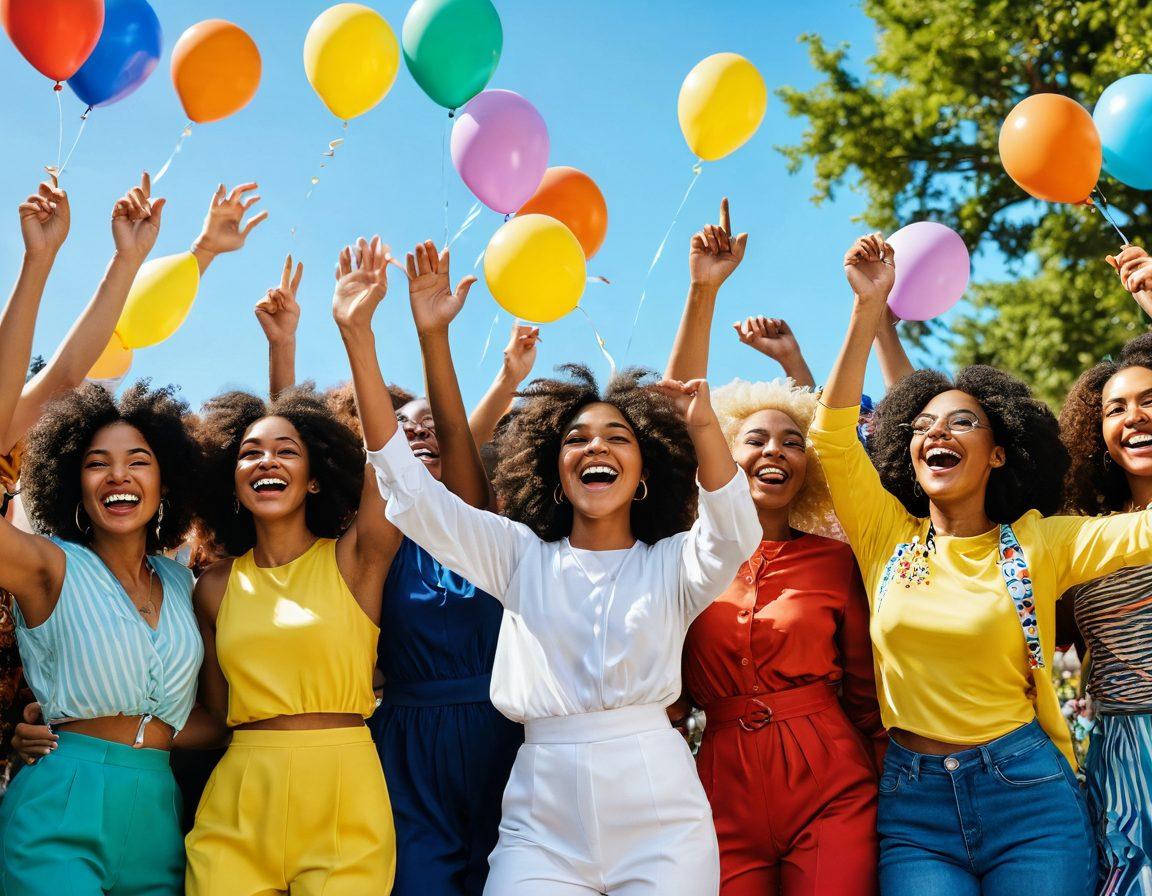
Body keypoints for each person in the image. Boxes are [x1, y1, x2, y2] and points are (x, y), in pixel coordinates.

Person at [335, 233, 759, 895]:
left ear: (643, 473)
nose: (597, 447)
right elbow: (409, 492)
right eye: (578, 439)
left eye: (617, 437)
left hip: (659, 812)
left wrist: (704, 428)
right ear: (554, 474)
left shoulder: (673, 564)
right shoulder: (517, 556)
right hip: (540, 818)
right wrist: (359, 336)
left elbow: (734, 531)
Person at [809, 232, 1152, 895]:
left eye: (962, 423)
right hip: (915, 811)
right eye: (924, 426)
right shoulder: (885, 534)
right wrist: (867, 307)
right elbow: (831, 434)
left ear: (999, 453)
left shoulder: (1042, 541)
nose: (937, 432)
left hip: (1030, 799)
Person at [254, 239, 533, 895]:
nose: (422, 434)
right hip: (405, 749)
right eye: (405, 429)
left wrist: (431, 332)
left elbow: (460, 443)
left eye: (434, 429)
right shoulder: (363, 548)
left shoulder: (482, 530)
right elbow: (297, 451)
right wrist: (290, 349)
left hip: (505, 740)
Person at [666, 203, 884, 895]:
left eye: (793, 442)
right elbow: (675, 413)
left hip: (834, 788)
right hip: (719, 784)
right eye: (755, 439)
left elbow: (863, 697)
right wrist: (704, 289)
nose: (775, 450)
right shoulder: (683, 557)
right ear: (721, 456)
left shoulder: (834, 562)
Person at [185, 248, 398, 894]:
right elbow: (215, 716)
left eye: (286, 454)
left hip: (343, 802)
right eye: (249, 453)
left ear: (313, 478)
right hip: (236, 806)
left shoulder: (356, 558)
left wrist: (353, 334)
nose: (267, 462)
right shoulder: (214, 589)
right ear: (232, 477)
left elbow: (388, 465)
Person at [0, 378, 207, 896]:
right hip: (60, 804)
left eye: (139, 460)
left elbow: (218, 716)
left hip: (161, 814)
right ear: (72, 481)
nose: (119, 475)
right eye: (96, 462)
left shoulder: (187, 583)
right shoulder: (46, 564)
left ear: (165, 480)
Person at [1058, 247, 1152, 896]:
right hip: (1120, 753)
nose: (1132, 417)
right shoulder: (1082, 539)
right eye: (1115, 408)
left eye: (1149, 400)